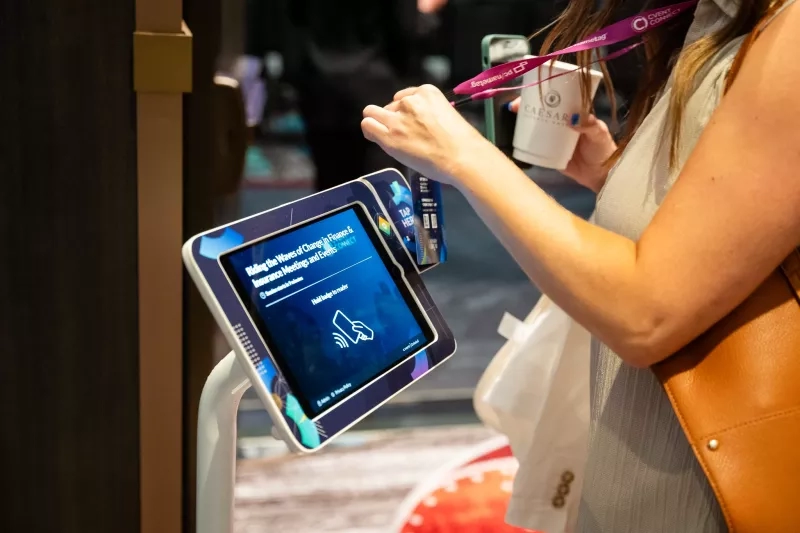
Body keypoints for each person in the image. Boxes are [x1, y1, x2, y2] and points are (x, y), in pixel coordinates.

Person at [360, 0, 800, 531]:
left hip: (707, 489)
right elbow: (728, 229)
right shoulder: (719, 19)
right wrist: (613, 177)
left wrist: (464, 158)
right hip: (643, 466)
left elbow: (645, 313)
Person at [286, 0, 421, 192]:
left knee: (330, 189)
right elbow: (405, 28)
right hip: (376, 81)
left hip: (320, 79)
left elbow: (295, 15)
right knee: (381, 189)